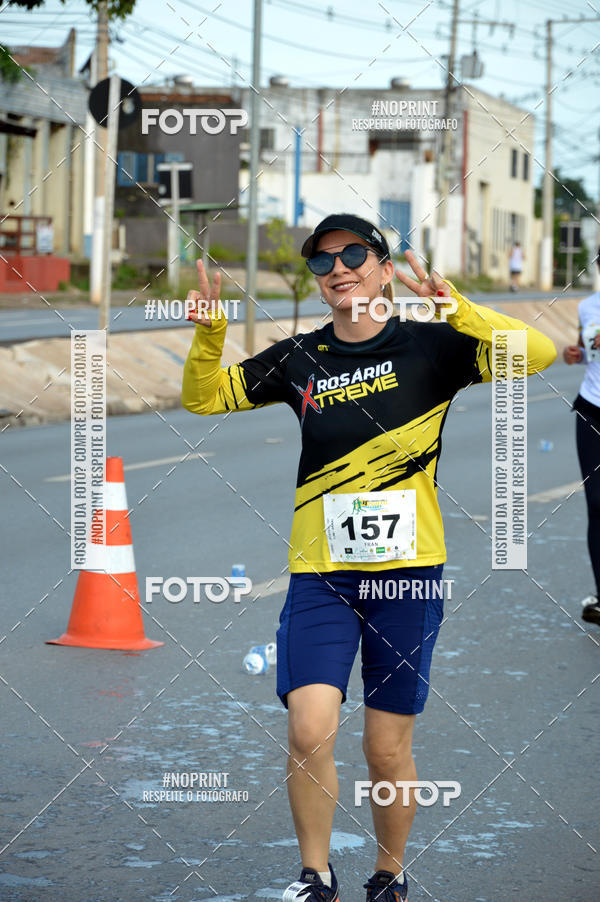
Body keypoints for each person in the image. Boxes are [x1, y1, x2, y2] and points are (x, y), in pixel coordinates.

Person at [181, 213, 557, 902]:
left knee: (385, 748)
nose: (338, 269)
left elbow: (538, 352)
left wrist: (457, 307)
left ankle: (389, 873)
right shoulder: (300, 358)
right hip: (322, 576)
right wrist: (210, 334)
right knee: (308, 728)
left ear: (384, 270)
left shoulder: (433, 347)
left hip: (408, 579)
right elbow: (203, 398)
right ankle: (315, 876)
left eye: (353, 254)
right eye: (322, 262)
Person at [563, 259, 600, 626]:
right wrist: (574, 355)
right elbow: (585, 351)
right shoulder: (588, 306)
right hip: (591, 408)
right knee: (597, 503)